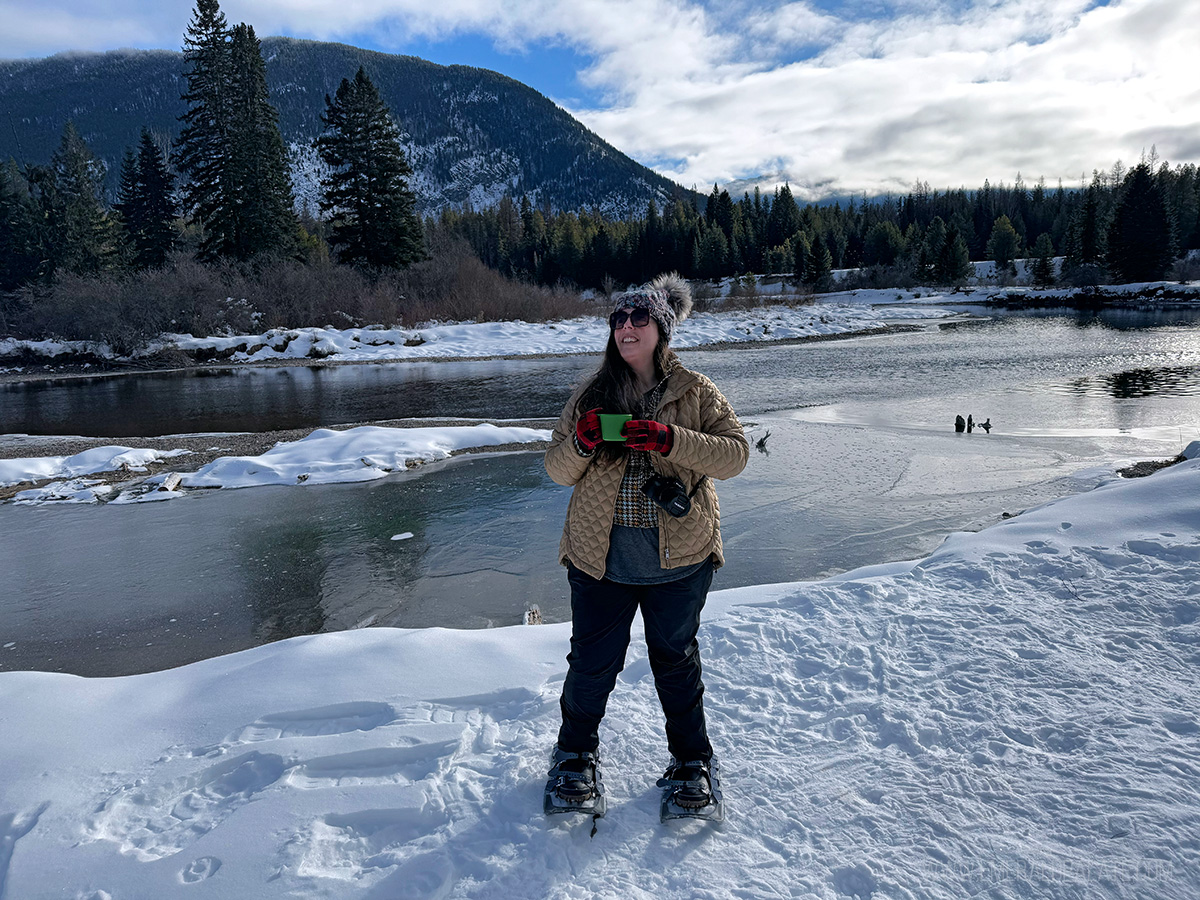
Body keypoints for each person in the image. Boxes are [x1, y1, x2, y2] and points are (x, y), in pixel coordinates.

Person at [543, 272, 749, 815]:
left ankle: (692, 763)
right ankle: (573, 756)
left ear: (661, 328)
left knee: (676, 664)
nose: (626, 328)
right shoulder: (589, 395)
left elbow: (735, 455)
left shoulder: (695, 390)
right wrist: (584, 442)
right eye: (618, 319)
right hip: (599, 559)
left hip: (680, 560)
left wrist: (669, 440)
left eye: (638, 319)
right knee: (591, 665)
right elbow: (557, 470)